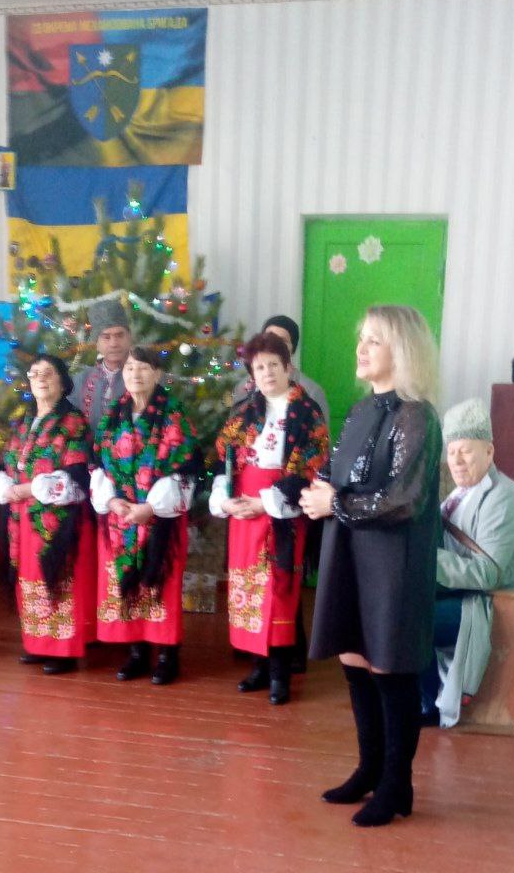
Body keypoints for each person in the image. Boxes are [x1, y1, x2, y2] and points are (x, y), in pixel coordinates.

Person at [301, 305, 441, 828]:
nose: (361, 348)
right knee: (355, 658)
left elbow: (404, 499)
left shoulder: (416, 415)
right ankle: (369, 769)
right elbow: (344, 474)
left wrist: (334, 503)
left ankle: (397, 784)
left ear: (402, 350)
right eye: (362, 338)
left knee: (389, 666)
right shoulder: (362, 410)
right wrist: (314, 491)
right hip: (352, 550)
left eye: (375, 340)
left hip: (391, 559)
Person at [210, 332, 329, 705]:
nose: (267, 373)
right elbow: (224, 458)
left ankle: (280, 673)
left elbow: (312, 466)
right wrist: (227, 500)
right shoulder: (244, 412)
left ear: (288, 367)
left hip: (281, 513)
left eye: (273, 365)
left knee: (278, 592)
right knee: (249, 591)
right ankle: (259, 667)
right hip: (244, 514)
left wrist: (265, 502)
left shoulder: (307, 413)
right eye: (259, 367)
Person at [90, 346, 200, 685]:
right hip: (120, 518)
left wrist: (150, 507)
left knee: (161, 583)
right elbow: (99, 462)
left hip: (159, 517)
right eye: (129, 368)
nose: (135, 374)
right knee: (124, 582)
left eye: (143, 367)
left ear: (157, 373)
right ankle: (136, 652)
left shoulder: (173, 414)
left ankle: (167, 654)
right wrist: (112, 501)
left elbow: (184, 467)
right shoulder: (113, 415)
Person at [421, 398, 514, 727]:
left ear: (489, 452)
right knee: (397, 606)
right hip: (462, 592)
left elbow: (488, 574)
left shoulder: (504, 495)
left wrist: (425, 560)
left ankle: (427, 704)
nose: (456, 460)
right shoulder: (459, 494)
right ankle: (420, 699)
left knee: (414, 620)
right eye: (451, 451)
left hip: (489, 603)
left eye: (466, 451)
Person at [0, 354, 95, 674]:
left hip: (58, 518)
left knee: (58, 577)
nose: (40, 379)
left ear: (63, 382)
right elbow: (7, 462)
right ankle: (38, 643)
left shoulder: (73, 421)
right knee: (29, 578)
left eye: (48, 373)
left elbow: (77, 474)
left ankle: (63, 650)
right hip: (23, 518)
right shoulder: (24, 422)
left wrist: (30, 488)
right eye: (35, 374)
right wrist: (7, 485)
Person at [232, 315, 329, 425]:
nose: (274, 345)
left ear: (293, 348)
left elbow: (321, 432)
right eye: (269, 339)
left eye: (282, 341)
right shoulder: (243, 386)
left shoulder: (312, 392)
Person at [69, 298, 132, 429]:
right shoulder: (80, 380)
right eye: (106, 337)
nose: (114, 343)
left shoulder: (144, 377)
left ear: (129, 338)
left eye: (120, 335)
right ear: (96, 343)